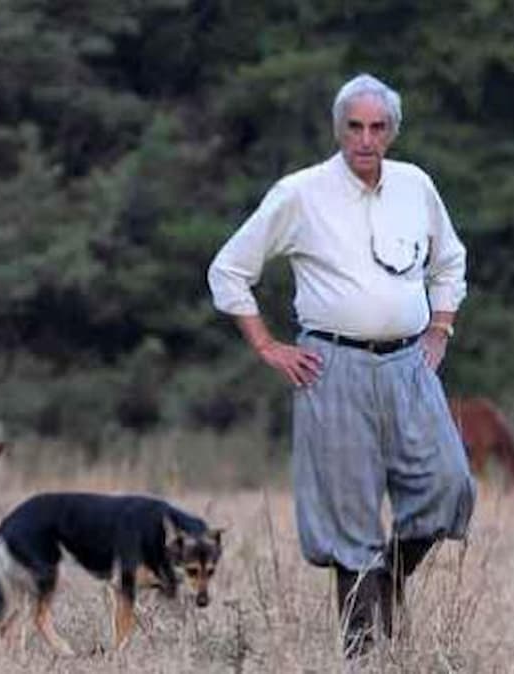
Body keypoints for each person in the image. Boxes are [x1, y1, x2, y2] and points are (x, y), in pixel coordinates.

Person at [207, 73, 475, 657]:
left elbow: (450, 261)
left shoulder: (416, 185)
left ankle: (389, 581)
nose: (365, 139)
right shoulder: (300, 193)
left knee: (449, 485)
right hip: (332, 367)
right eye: (354, 126)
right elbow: (229, 269)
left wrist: (440, 328)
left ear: (393, 132)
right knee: (349, 519)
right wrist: (267, 346)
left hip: (410, 365)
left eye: (377, 127)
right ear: (338, 129)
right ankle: (362, 655)